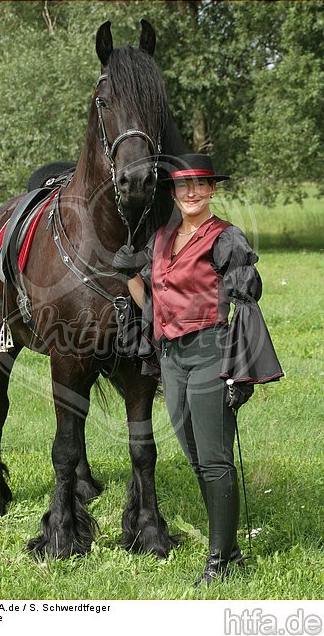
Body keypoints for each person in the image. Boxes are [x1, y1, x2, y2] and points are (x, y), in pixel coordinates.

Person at [113, 153, 284, 586]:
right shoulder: (162, 239)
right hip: (171, 358)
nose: (192, 193)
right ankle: (231, 550)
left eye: (201, 185)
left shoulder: (225, 238)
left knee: (215, 459)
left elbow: (245, 306)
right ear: (173, 192)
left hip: (211, 351)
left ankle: (220, 562)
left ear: (211, 190)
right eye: (183, 185)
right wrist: (129, 276)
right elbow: (152, 300)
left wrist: (238, 371)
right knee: (194, 456)